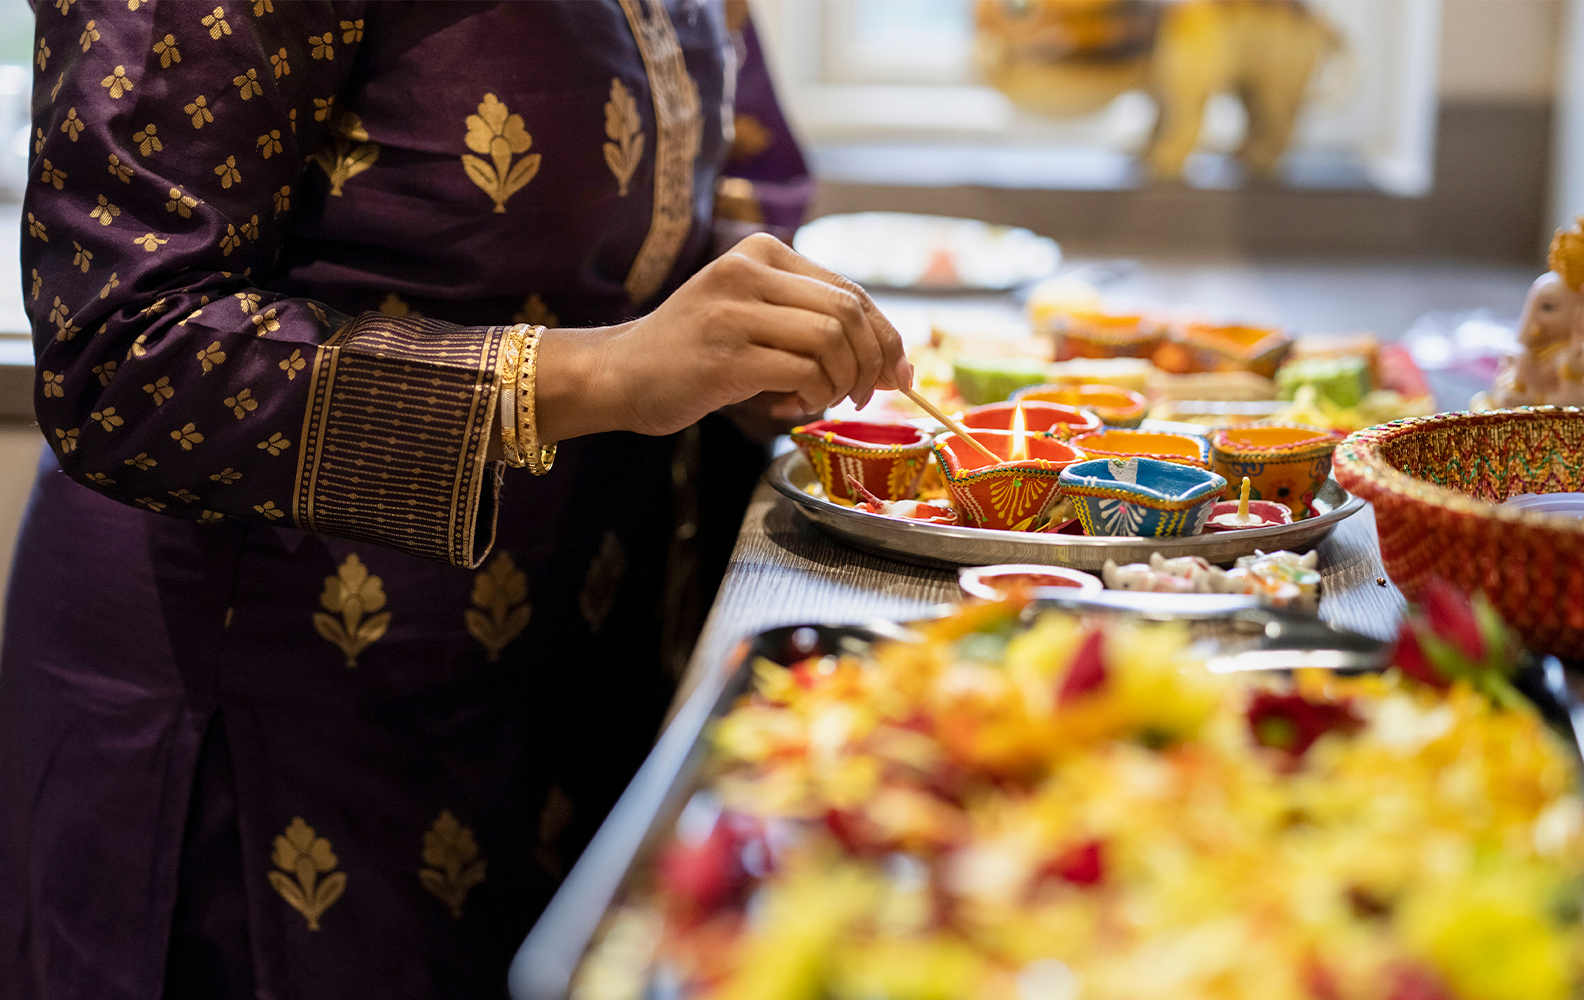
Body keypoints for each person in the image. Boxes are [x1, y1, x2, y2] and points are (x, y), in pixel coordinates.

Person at [0, 3, 909, 999]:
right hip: (277, 703)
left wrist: (751, 329)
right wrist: (607, 373)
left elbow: (683, 177)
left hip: (554, 675)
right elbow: (126, 360)